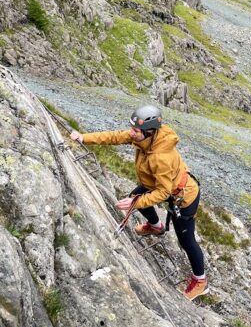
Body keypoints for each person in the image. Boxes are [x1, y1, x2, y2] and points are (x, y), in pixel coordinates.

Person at [70, 104, 208, 300]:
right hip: (164, 186)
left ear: (150, 132)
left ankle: (200, 281)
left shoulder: (161, 157)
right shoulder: (143, 138)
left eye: (136, 130)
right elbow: (115, 137)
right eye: (133, 129)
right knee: (137, 196)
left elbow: (163, 192)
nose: (131, 133)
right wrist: (85, 138)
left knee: (186, 241)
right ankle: (156, 227)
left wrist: (136, 203)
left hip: (183, 197)